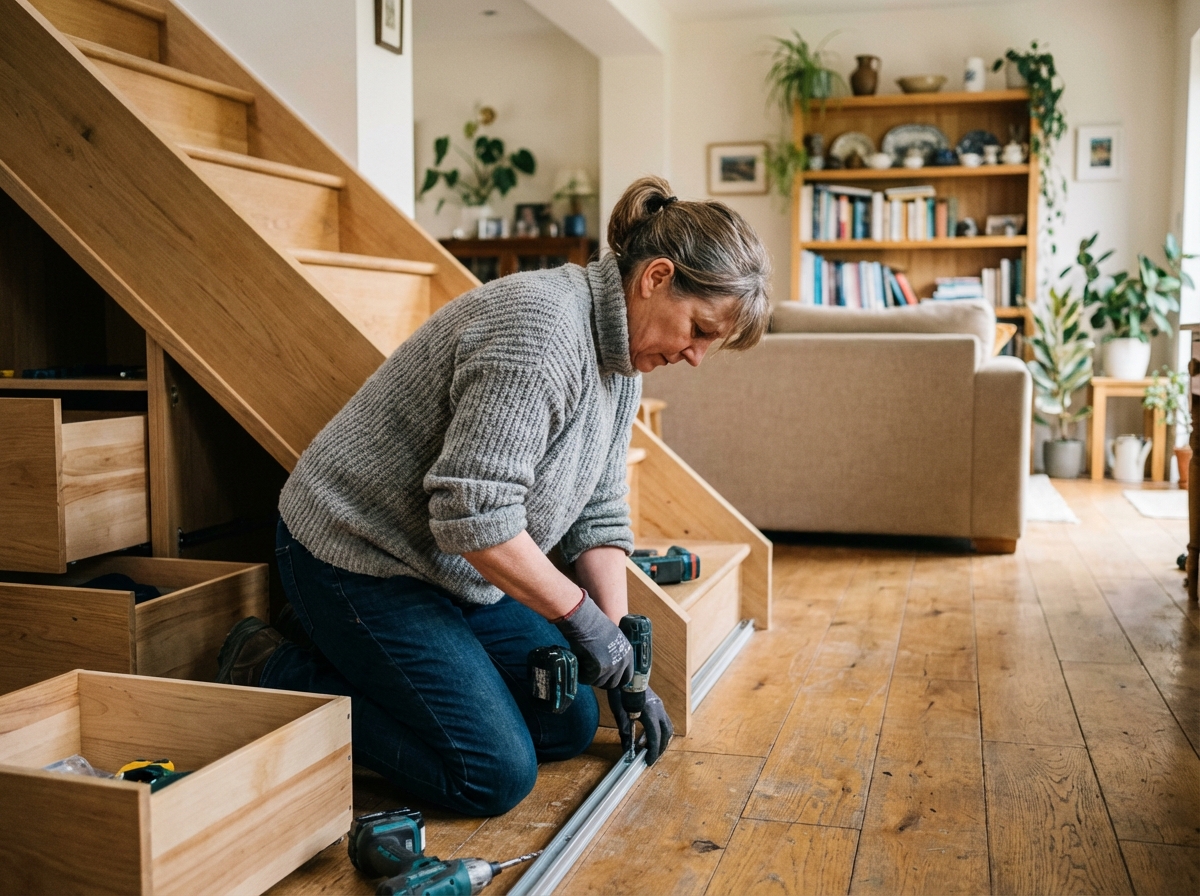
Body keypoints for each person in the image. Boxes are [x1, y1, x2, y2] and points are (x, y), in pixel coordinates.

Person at [216, 176, 771, 817]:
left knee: (565, 725)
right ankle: (273, 667)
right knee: (491, 776)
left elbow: (599, 507)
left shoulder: (623, 360)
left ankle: (356, 653)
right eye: (699, 330)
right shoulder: (541, 333)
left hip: (460, 570)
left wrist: (620, 648)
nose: (696, 356)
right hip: (358, 558)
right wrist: (580, 617)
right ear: (655, 277)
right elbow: (473, 515)